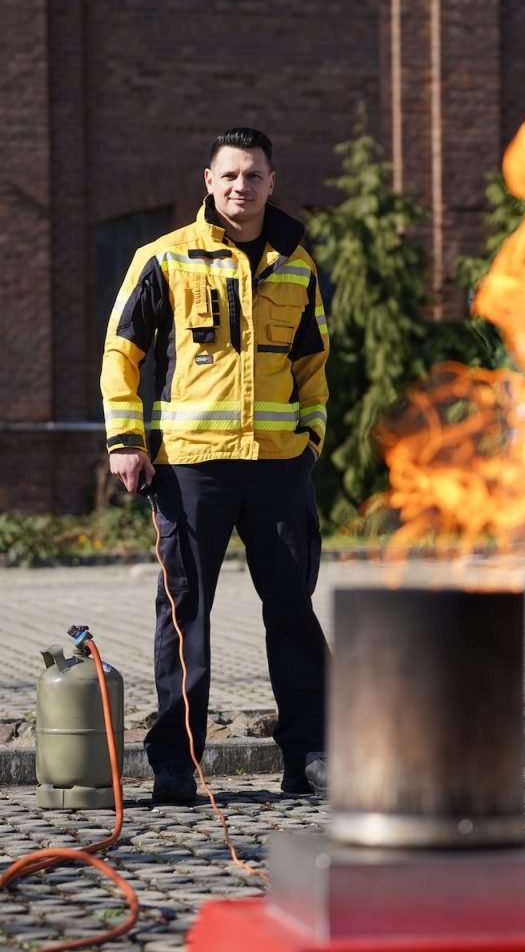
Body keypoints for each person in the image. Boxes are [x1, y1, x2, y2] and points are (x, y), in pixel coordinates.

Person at [100, 127, 329, 804]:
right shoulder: (164, 259)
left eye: (253, 175)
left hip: (279, 468)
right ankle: (177, 765)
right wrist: (126, 441)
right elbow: (122, 354)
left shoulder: (297, 264)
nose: (241, 186)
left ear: (271, 182)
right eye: (229, 175)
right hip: (192, 469)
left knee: (293, 614)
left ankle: (311, 758)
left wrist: (310, 436)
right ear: (208, 180)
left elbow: (313, 364)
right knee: (184, 618)